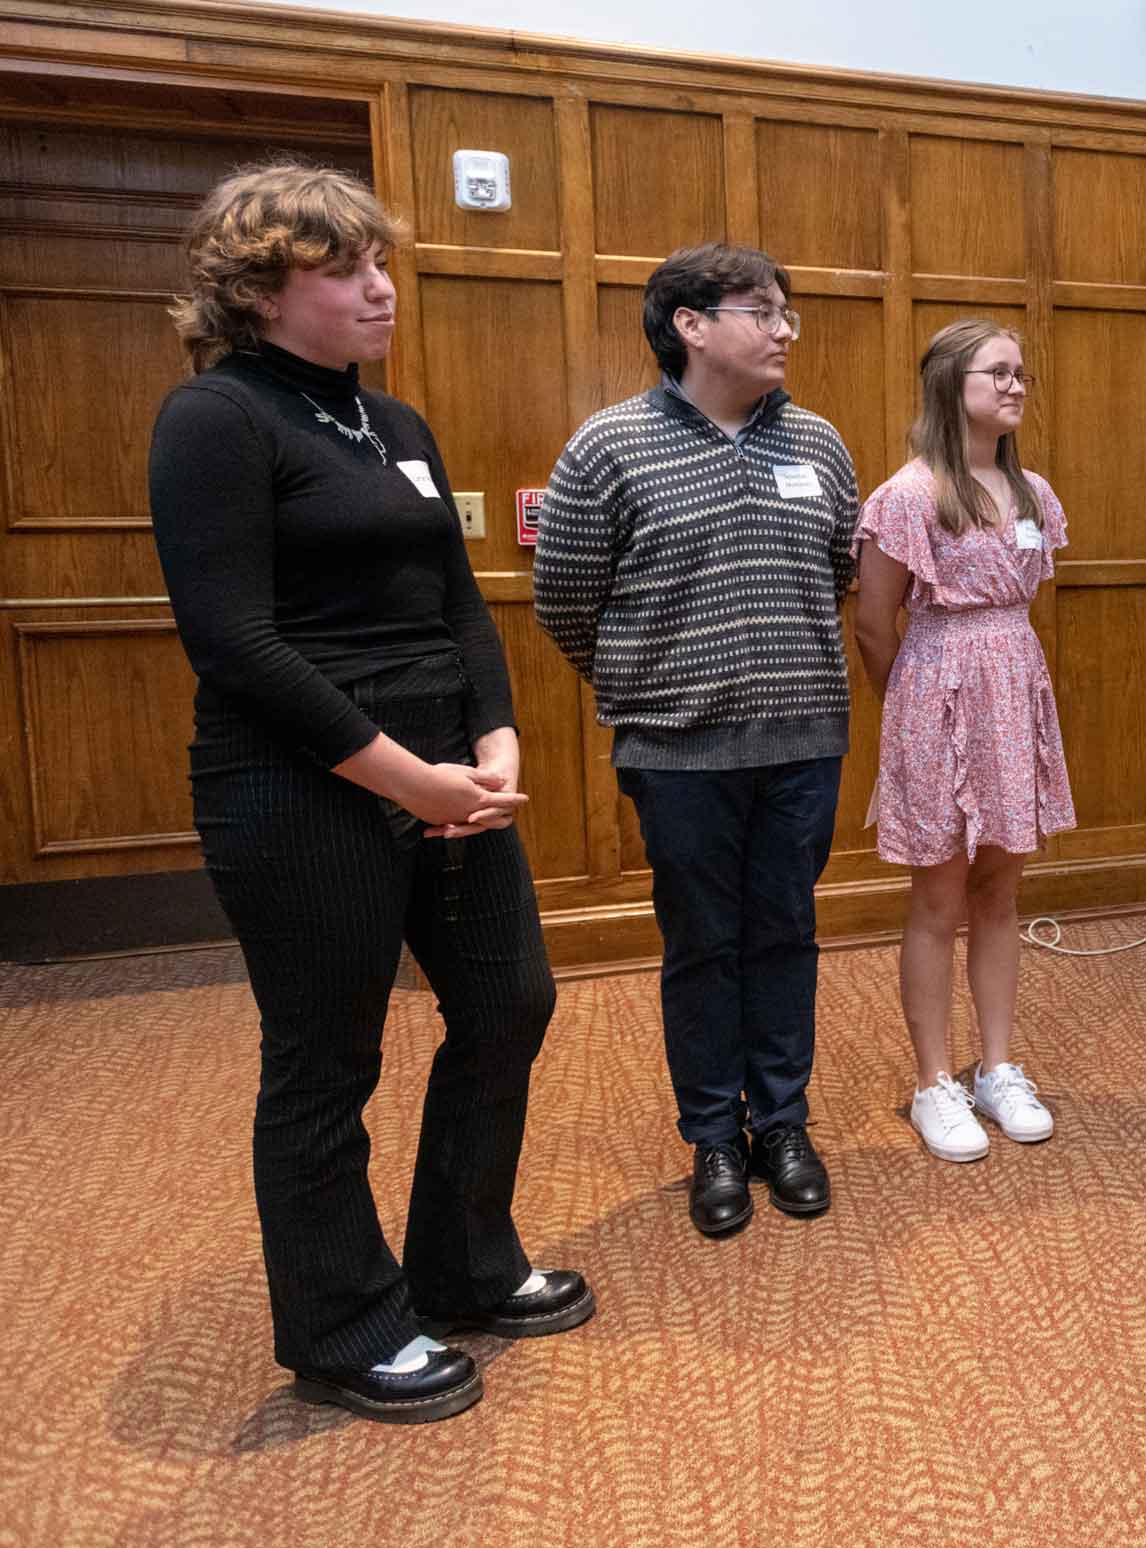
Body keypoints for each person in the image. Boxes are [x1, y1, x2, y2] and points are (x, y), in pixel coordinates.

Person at [148, 161, 589, 1425]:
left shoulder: (391, 425)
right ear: (260, 290)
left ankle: (463, 1264)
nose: (380, 288)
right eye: (345, 270)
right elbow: (234, 642)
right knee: (326, 1060)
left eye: (379, 262)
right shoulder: (216, 420)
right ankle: (345, 1324)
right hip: (298, 787)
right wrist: (407, 779)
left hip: (449, 775)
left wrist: (495, 739)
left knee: (508, 1003)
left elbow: (457, 601)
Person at [534, 244, 858, 1238]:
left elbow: (838, 574)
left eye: (787, 311)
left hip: (803, 739)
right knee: (704, 947)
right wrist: (656, 686)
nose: (785, 328)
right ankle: (714, 1137)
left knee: (786, 935)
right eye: (762, 310)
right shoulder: (608, 447)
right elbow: (565, 605)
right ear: (689, 323)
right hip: (676, 754)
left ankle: (784, 1124)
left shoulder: (820, 444)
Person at [853, 319, 1075, 1164]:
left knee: (1001, 893)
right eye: (999, 373)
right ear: (952, 383)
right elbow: (875, 623)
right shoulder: (908, 495)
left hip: (1012, 691)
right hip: (934, 695)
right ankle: (934, 1082)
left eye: (1022, 374)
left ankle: (999, 1067)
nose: (1017, 386)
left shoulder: (1032, 494)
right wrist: (910, 709)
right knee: (938, 899)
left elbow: (1019, 605)